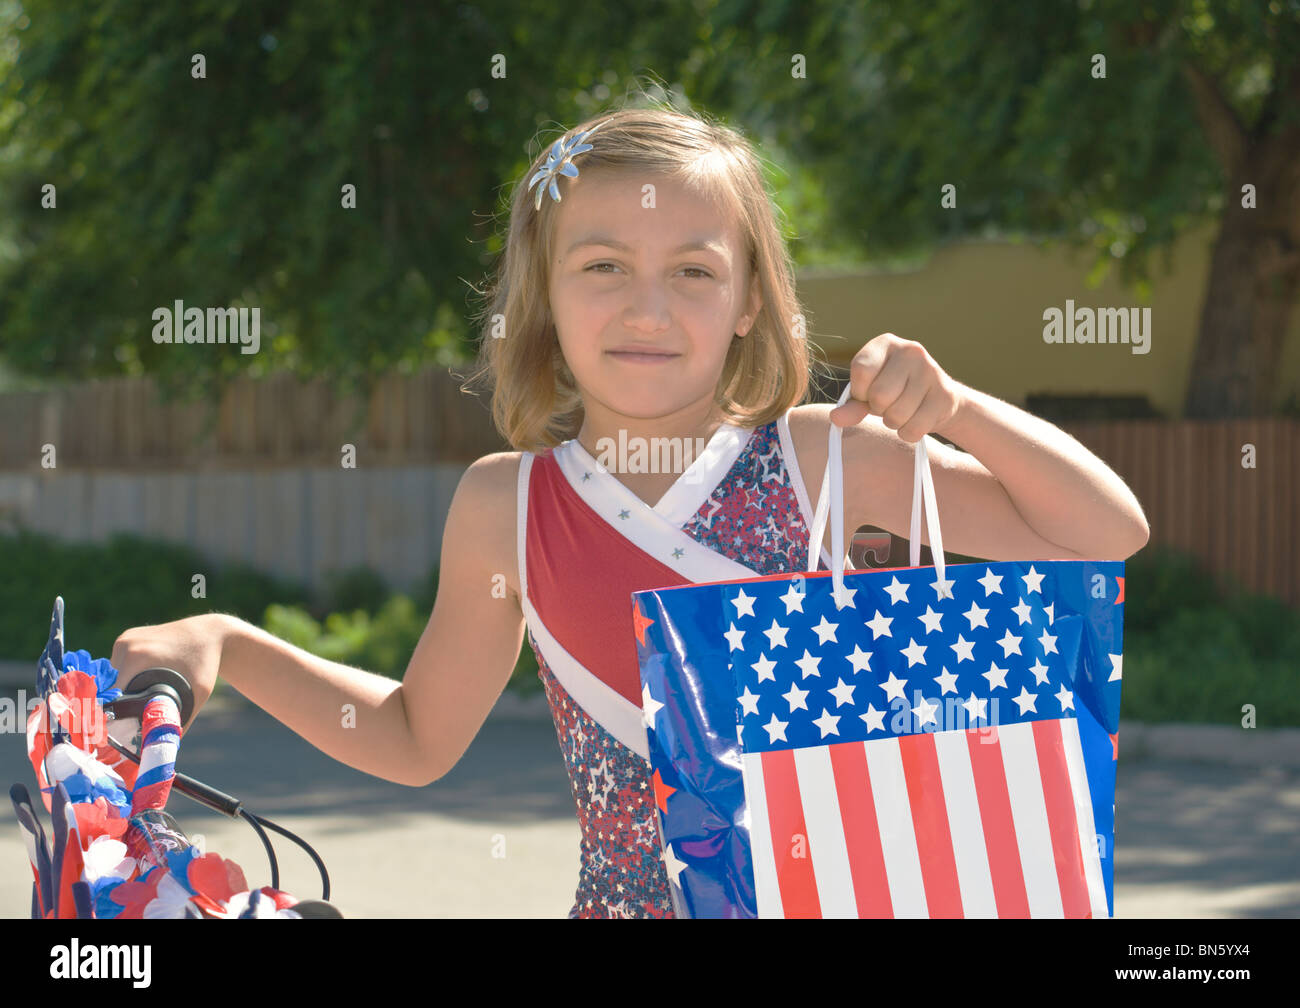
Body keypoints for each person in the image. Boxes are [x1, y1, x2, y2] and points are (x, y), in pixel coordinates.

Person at [110, 102, 1150, 919]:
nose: (647, 307)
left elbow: (1104, 534)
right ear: (543, 297)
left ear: (749, 301)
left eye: (693, 272)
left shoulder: (824, 459)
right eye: (602, 267)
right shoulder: (504, 505)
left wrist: (959, 408)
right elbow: (418, 736)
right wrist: (232, 644)